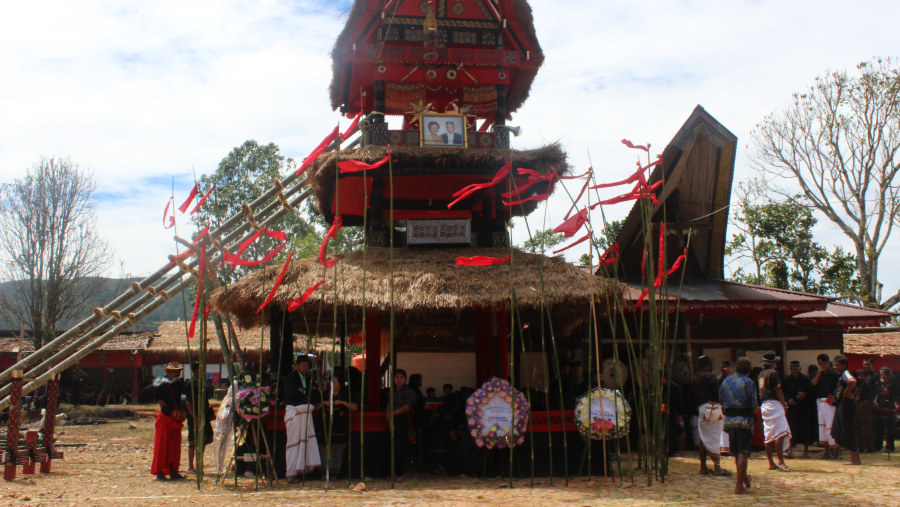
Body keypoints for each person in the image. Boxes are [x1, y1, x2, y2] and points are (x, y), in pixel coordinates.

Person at [281, 355, 321, 483]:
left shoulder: (309, 379)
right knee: (293, 444)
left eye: (307, 365)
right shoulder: (290, 378)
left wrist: (303, 391)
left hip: (306, 412)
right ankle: (291, 472)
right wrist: (305, 392)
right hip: (295, 412)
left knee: (306, 442)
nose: (305, 367)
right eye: (303, 365)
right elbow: (292, 394)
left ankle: (304, 468)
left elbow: (315, 393)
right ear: (297, 365)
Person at [720, 357, 756, 495]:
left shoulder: (726, 381)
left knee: (736, 452)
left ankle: (744, 477)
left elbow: (722, 403)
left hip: (729, 420)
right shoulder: (749, 382)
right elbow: (753, 406)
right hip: (744, 420)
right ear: (749, 370)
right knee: (743, 452)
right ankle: (739, 486)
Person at [689, 355, 728, 476]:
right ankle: (717, 468)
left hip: (701, 409)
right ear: (708, 364)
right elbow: (718, 394)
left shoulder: (695, 377)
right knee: (714, 438)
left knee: (703, 439)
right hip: (712, 408)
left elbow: (690, 395)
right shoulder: (711, 376)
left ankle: (703, 467)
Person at [318, 375, 357, 479]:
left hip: (340, 424)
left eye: (335, 382)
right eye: (331, 382)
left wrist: (343, 403)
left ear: (340, 383)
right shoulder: (325, 394)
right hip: (326, 424)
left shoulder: (345, 394)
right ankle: (325, 472)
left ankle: (335, 472)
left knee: (338, 450)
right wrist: (323, 403)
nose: (333, 384)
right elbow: (315, 407)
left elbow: (355, 407)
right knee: (326, 449)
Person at [151, 362, 186, 481]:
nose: (178, 373)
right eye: (175, 371)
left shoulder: (179, 384)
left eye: (178, 371)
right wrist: (158, 399)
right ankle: (160, 472)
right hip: (165, 418)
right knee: (162, 447)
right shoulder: (160, 382)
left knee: (174, 447)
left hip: (175, 418)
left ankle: (173, 470)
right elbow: (147, 391)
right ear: (168, 372)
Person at [757, 352, 791, 472]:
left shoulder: (761, 374)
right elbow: (778, 390)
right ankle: (781, 461)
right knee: (780, 433)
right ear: (773, 363)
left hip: (764, 405)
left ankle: (771, 462)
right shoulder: (773, 373)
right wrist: (784, 404)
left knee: (769, 434)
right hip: (774, 404)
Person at [384, 369, 416, 481]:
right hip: (391, 419)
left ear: (405, 379)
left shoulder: (409, 391)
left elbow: (407, 407)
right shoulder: (390, 392)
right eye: (396, 377)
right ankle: (388, 472)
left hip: (402, 419)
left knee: (399, 447)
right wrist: (388, 417)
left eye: (401, 378)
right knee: (389, 446)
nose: (398, 380)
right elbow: (388, 405)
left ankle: (400, 473)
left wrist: (394, 413)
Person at [831, 355, 860, 465]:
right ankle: (855, 458)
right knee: (847, 430)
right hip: (843, 404)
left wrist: (847, 392)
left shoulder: (845, 373)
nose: (835, 367)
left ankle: (854, 459)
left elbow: (852, 382)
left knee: (848, 430)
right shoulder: (841, 374)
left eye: (837, 365)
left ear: (844, 365)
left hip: (846, 405)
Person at [185, 361, 214, 474]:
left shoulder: (203, 383)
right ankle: (190, 466)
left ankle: (200, 463)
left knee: (203, 439)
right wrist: (194, 417)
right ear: (196, 370)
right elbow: (188, 402)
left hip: (204, 415)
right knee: (193, 441)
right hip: (195, 416)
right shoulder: (190, 384)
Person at [782, 360, 814, 458]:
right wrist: (788, 400)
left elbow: (811, 391)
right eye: (792, 369)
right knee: (791, 428)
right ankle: (790, 450)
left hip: (803, 407)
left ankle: (806, 450)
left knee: (805, 428)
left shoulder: (805, 379)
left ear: (799, 369)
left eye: (796, 368)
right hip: (792, 407)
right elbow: (783, 392)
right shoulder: (787, 380)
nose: (794, 370)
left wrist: (805, 394)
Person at [812, 353, 840, 458]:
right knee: (823, 427)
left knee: (831, 426)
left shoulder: (834, 375)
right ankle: (826, 450)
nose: (822, 365)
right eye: (820, 363)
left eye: (824, 363)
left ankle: (836, 451)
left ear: (828, 363)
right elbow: (813, 384)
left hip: (830, 403)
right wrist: (819, 373)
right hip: (820, 402)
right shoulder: (817, 374)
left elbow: (837, 389)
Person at [855, 369, 878, 452]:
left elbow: (858, 397)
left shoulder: (863, 384)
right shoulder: (870, 383)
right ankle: (870, 447)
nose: (859, 378)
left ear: (865, 375)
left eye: (860, 376)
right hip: (869, 406)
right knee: (869, 427)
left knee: (862, 427)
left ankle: (862, 447)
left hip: (863, 406)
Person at [875, 367, 896, 452]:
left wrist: (881, 385)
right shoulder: (880, 384)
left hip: (888, 407)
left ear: (887, 375)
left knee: (888, 428)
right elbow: (877, 393)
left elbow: (884, 392)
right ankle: (878, 446)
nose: (881, 376)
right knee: (879, 428)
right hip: (880, 406)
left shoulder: (891, 384)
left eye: (882, 374)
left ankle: (890, 446)